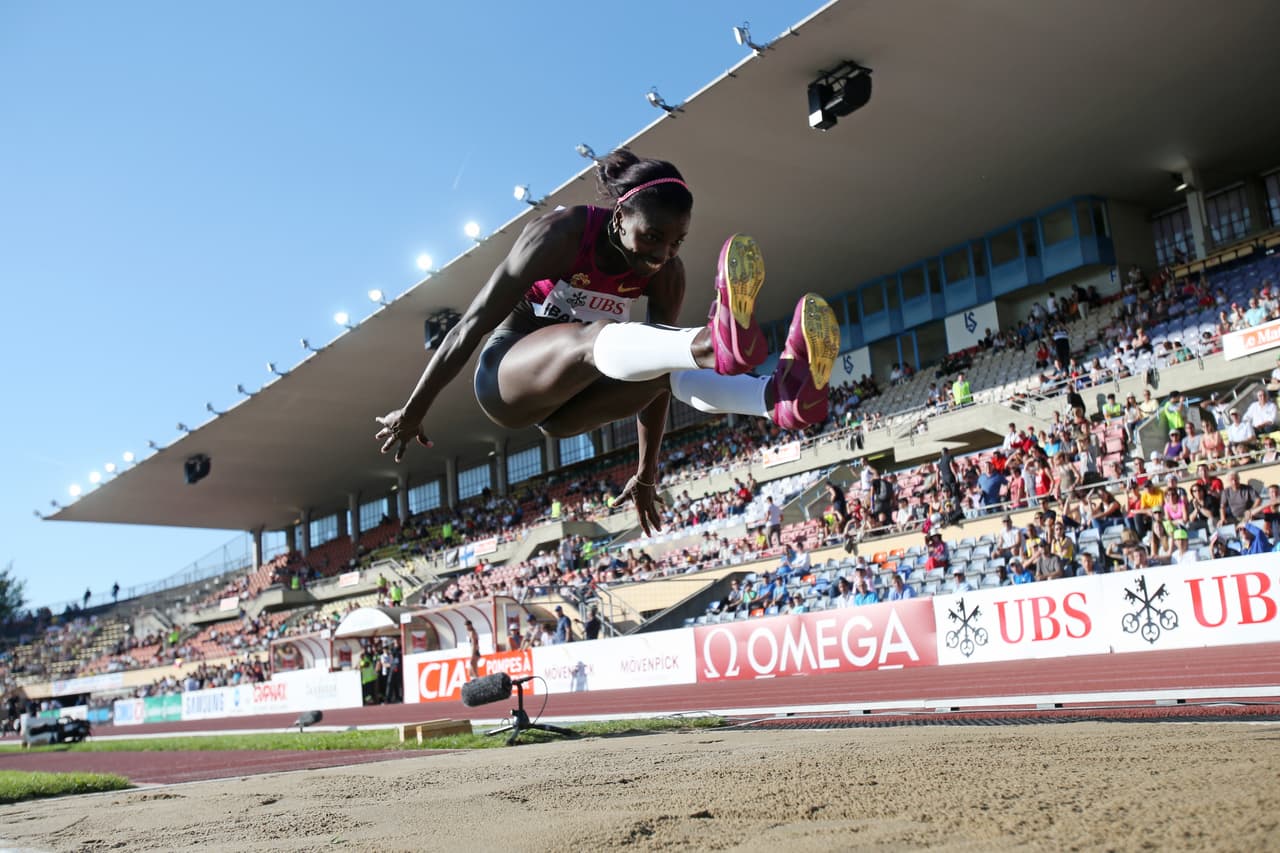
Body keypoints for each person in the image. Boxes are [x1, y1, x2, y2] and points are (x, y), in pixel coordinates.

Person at [375, 151, 839, 536]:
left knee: (662, 366)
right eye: (652, 237)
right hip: (508, 380)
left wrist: (646, 472)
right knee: (594, 337)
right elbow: (471, 325)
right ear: (619, 218)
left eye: (677, 242)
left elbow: (656, 374)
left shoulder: (666, 274)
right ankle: (711, 343)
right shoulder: (560, 235)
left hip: (571, 410)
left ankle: (775, 397)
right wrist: (414, 410)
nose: (662, 254)